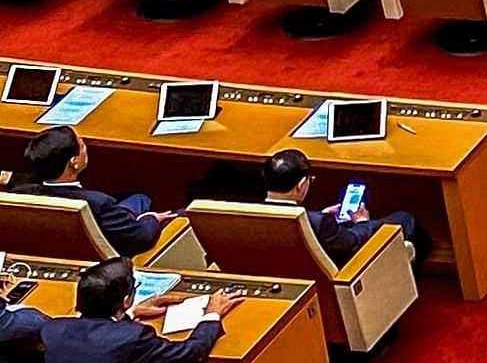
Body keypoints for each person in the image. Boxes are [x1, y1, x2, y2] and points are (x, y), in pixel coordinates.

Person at [37, 258, 239, 363]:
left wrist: (132, 313)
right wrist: (212, 314)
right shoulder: (134, 336)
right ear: (125, 300)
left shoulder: (53, 329)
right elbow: (189, 353)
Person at [17, 129, 174, 256]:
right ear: (74, 162)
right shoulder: (98, 203)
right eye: (83, 146)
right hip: (112, 244)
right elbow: (140, 237)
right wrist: (151, 218)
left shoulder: (20, 193)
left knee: (139, 199)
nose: (86, 149)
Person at [262, 147, 418, 272]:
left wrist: (321, 216)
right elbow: (353, 243)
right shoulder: (320, 222)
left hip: (287, 272)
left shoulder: (249, 215)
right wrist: (362, 222)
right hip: (340, 272)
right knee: (404, 218)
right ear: (301, 185)